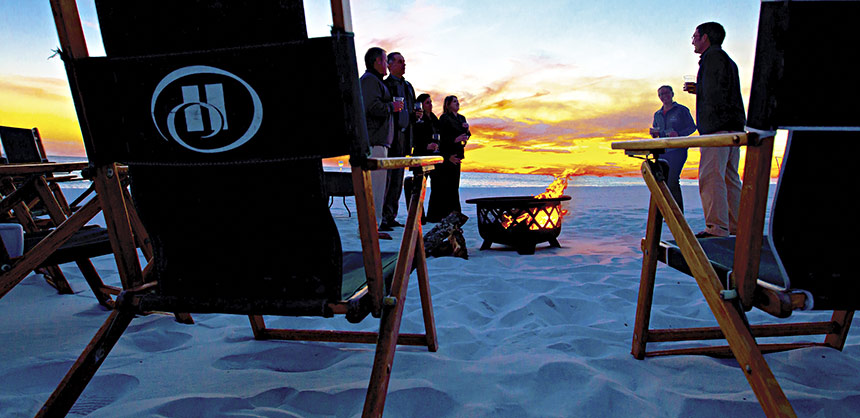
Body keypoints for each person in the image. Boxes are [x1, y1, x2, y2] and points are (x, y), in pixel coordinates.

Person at [685, 22, 746, 238]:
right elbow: (720, 90)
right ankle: (736, 226)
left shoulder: (712, 59)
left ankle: (717, 227)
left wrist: (709, 128)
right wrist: (699, 89)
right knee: (730, 177)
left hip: (717, 129)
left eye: (695, 36)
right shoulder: (727, 61)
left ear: (705, 37)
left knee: (711, 176)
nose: (692, 40)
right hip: (733, 128)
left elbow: (714, 95)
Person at [360, 46, 402, 239]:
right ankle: (371, 230)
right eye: (385, 61)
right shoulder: (369, 81)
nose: (386, 65)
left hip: (379, 141)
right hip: (374, 141)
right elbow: (371, 107)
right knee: (375, 189)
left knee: (377, 188)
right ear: (377, 61)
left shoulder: (374, 81)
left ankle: (373, 228)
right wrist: (391, 106)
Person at [380, 52, 421, 231]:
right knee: (387, 180)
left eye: (404, 61)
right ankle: (383, 217)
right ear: (389, 65)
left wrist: (415, 115)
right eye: (399, 62)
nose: (403, 64)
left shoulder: (408, 86)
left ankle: (391, 216)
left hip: (405, 137)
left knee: (397, 179)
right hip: (391, 137)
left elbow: (410, 110)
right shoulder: (386, 85)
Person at [650, 85, 696, 212]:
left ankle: (677, 212)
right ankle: (666, 211)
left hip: (677, 150)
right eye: (661, 94)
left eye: (666, 93)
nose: (664, 96)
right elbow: (657, 131)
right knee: (661, 181)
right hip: (662, 151)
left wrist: (679, 134)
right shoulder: (657, 114)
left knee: (673, 180)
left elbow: (692, 128)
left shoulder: (681, 110)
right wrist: (655, 134)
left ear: (672, 93)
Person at [426, 95, 470, 222]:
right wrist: (455, 140)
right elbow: (442, 138)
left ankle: (454, 215)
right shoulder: (444, 118)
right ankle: (443, 216)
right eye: (454, 101)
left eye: (458, 101)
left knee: (454, 186)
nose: (457, 103)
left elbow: (466, 135)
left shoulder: (461, 118)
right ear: (448, 104)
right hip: (448, 154)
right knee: (446, 186)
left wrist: (466, 131)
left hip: (458, 153)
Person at [406, 93, 440, 224]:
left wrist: (436, 145)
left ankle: (433, 215)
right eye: (427, 102)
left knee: (436, 186)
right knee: (418, 186)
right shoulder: (417, 120)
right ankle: (419, 215)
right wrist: (426, 145)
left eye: (431, 102)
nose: (430, 105)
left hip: (433, 156)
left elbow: (438, 134)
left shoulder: (433, 118)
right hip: (420, 154)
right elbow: (414, 137)